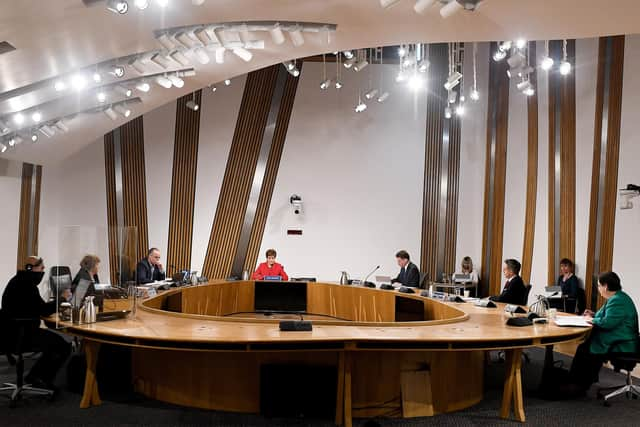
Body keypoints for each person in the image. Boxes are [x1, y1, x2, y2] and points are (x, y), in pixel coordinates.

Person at [0, 256, 71, 389]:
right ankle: (40, 378)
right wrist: (62, 299)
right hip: (22, 334)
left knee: (54, 342)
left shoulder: (16, 281)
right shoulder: (27, 286)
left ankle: (34, 375)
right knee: (63, 346)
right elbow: (43, 310)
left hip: (10, 334)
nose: (43, 270)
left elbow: (37, 307)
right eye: (41, 267)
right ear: (30, 268)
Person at [566, 271, 638, 394]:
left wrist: (592, 319)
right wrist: (593, 315)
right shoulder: (617, 297)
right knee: (585, 347)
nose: (598, 289)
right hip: (619, 336)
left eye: (599, 286)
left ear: (605, 286)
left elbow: (608, 322)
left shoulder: (617, 300)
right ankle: (580, 382)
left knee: (586, 349)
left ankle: (579, 385)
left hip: (622, 343)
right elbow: (609, 317)